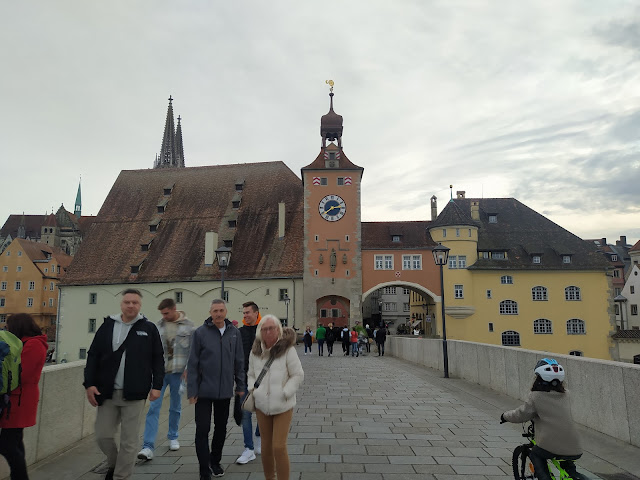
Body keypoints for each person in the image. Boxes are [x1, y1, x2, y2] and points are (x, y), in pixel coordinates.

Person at [84, 289, 164, 480]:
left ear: (140, 305)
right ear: (121, 304)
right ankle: (114, 463)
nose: (131, 305)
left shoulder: (149, 328)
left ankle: (121, 476)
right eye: (127, 302)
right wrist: (89, 384)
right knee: (103, 435)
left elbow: (158, 359)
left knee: (129, 441)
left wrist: (157, 386)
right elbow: (93, 355)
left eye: (135, 302)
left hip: (135, 392)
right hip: (107, 391)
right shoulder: (107, 326)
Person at [187, 299, 245, 479]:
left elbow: (239, 362)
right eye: (215, 311)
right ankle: (204, 469)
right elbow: (193, 363)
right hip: (203, 391)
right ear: (210, 313)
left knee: (221, 428)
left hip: (225, 391)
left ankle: (215, 461)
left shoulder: (234, 333)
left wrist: (240, 386)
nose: (218, 314)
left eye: (221, 310)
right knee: (202, 429)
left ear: (226, 311)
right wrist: (192, 391)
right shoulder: (200, 333)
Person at [501, 358, 586, 480]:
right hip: (575, 444)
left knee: (536, 454)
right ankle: (574, 474)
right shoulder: (567, 394)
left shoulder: (536, 396)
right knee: (569, 467)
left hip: (550, 445)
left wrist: (505, 416)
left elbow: (521, 414)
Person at [248, 315, 304, 480]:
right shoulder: (255, 352)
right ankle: (269, 478)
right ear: (260, 332)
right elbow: (251, 374)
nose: (268, 332)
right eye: (265, 329)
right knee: (266, 446)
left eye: (272, 328)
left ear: (278, 330)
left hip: (283, 405)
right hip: (261, 405)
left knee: (278, 446)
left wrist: (286, 391)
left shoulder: (287, 350)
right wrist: (253, 389)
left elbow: (298, 374)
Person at [138, 298, 194, 460]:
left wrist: (189, 369)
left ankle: (173, 436)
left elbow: (193, 351)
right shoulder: (157, 326)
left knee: (175, 407)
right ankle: (148, 446)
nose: (164, 316)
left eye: (166, 313)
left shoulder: (189, 327)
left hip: (178, 373)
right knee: (153, 408)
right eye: (162, 314)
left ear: (174, 309)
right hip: (160, 374)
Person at [0, 314, 47, 480]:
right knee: (15, 441)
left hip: (20, 400)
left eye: (8, 327)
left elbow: (22, 374)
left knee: (6, 444)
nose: (7, 330)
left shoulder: (33, 344)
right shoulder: (27, 343)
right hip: (18, 398)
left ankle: (20, 477)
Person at [236, 301, 262, 465]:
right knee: (246, 414)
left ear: (256, 313)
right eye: (243, 312)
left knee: (263, 413)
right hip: (244, 379)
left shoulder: (264, 330)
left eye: (247, 312)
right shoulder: (239, 332)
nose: (245, 315)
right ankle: (249, 449)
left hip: (263, 380)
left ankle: (259, 440)